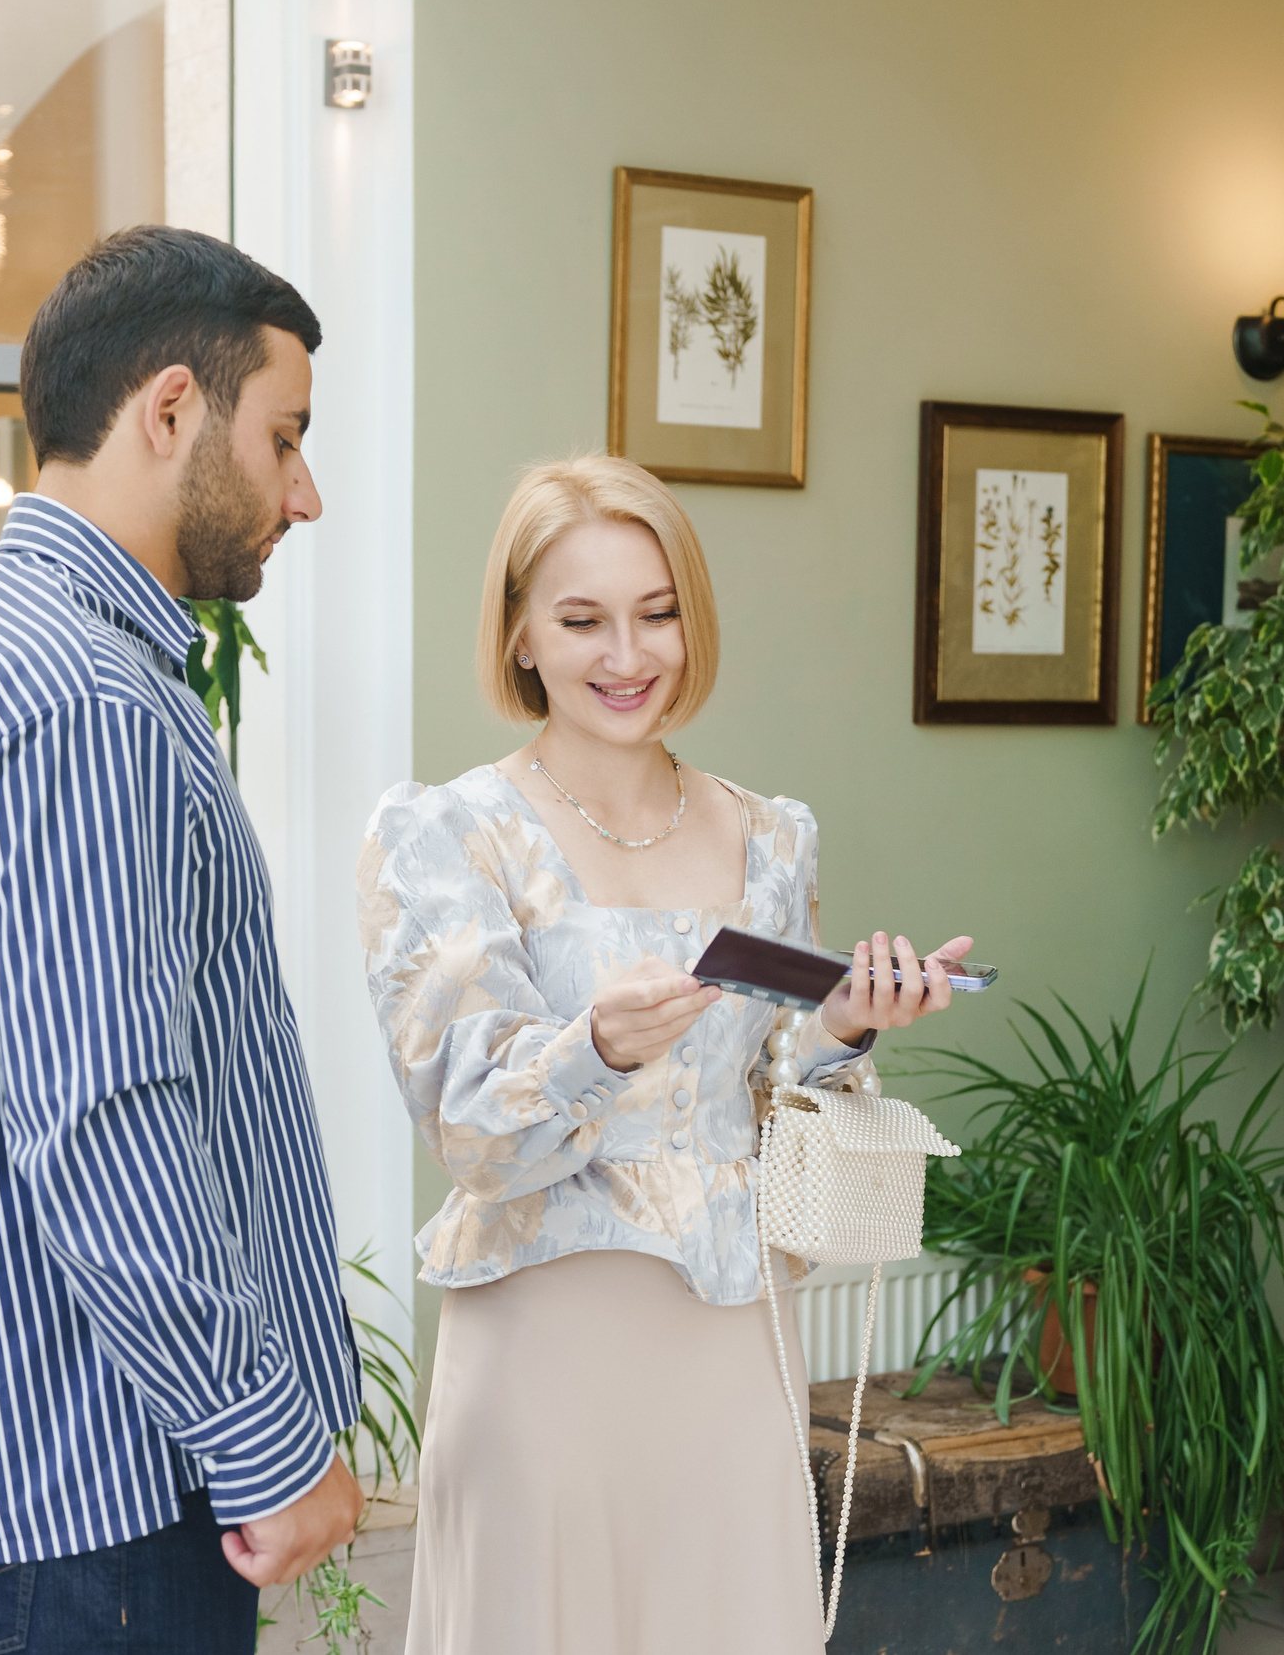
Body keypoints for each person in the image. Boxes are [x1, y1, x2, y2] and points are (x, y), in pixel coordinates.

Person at [0, 225, 364, 1655]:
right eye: (285, 435)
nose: (304, 494)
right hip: (106, 1496)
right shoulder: (77, 702)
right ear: (171, 409)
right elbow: (106, 1117)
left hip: (9, 1474)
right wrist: (264, 1431)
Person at [358, 455, 974, 1654]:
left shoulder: (770, 837)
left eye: (657, 613)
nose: (625, 656)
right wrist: (591, 1048)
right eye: (582, 619)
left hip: (734, 1349)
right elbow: (470, 1134)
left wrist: (845, 1024)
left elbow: (767, 1090)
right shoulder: (446, 835)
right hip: (543, 1354)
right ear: (520, 634)